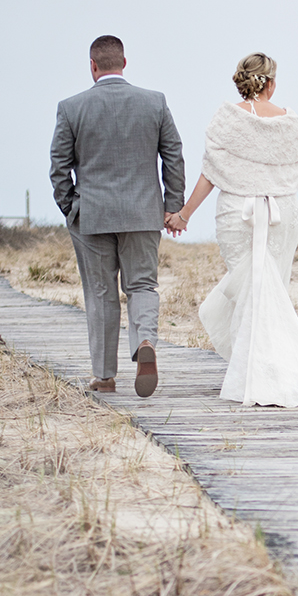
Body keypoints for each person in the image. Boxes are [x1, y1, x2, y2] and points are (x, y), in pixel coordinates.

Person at [165, 53, 298, 409]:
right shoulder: (288, 121)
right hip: (282, 212)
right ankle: (264, 370)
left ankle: (255, 374)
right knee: (267, 288)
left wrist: (184, 214)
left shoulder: (227, 118)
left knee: (254, 290)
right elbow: (294, 169)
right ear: (271, 83)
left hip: (238, 213)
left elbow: (211, 173)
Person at [50, 35, 185, 397]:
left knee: (101, 293)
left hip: (91, 216)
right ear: (124, 63)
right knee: (142, 285)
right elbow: (173, 154)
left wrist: (70, 208)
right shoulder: (154, 102)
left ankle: (105, 376)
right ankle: (145, 342)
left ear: (92, 66)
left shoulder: (71, 107)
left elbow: (59, 166)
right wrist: (173, 206)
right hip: (143, 213)